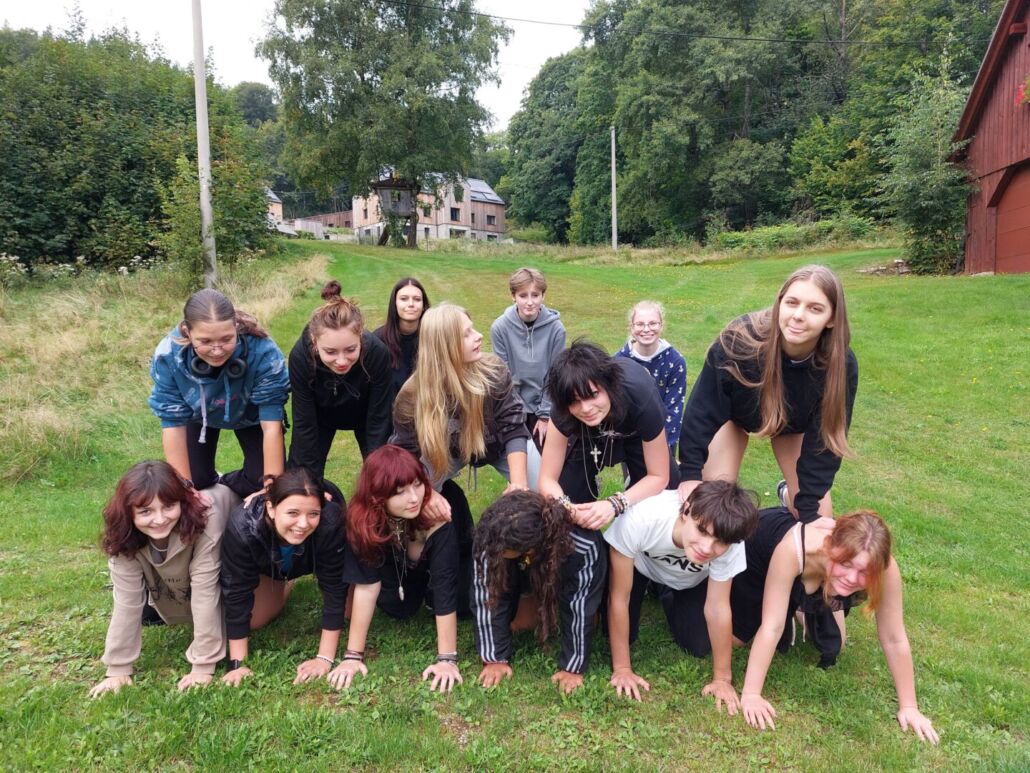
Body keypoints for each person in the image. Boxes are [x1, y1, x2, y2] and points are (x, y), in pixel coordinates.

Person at [732, 508, 939, 744]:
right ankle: (790, 596)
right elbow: (772, 626)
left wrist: (909, 707)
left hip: (820, 577)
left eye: (864, 572)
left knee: (834, 644)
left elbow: (894, 638)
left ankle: (800, 603)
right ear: (830, 546)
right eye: (846, 564)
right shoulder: (794, 549)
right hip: (759, 556)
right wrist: (751, 694)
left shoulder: (884, 567)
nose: (852, 578)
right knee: (736, 639)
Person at [677, 265, 858, 524]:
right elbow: (702, 409)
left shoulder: (840, 365)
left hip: (791, 427)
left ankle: (787, 494)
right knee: (711, 512)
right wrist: (690, 474)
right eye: (792, 303)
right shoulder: (739, 341)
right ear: (779, 304)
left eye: (815, 308)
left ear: (832, 318)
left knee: (815, 517)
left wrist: (808, 509)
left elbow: (825, 441)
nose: (798, 316)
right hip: (731, 419)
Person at [90, 461, 239, 697]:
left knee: (254, 616)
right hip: (173, 572)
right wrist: (118, 670)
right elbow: (126, 601)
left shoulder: (205, 519)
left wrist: (203, 667)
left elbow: (205, 591)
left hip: (232, 549)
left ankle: (284, 583)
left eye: (168, 506)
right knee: (153, 613)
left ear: (181, 502)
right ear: (128, 512)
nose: (159, 519)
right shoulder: (122, 534)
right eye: (145, 511)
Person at [605, 481, 758, 710]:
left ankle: (665, 593)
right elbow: (619, 598)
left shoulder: (731, 538)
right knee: (617, 633)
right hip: (639, 568)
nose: (707, 548)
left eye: (720, 542)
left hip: (689, 581)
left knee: (698, 644)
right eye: (702, 530)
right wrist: (622, 669)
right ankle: (654, 587)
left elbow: (717, 608)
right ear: (686, 511)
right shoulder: (642, 518)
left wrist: (722, 680)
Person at [329, 445, 465, 692]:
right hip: (396, 569)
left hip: (453, 563)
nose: (414, 498)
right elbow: (367, 587)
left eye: (417, 485)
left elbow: (446, 584)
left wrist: (447, 660)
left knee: (465, 602)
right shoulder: (363, 520)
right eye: (400, 492)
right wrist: (352, 656)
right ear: (377, 497)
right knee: (399, 608)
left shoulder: (436, 516)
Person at [390, 302, 530, 516]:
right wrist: (426, 493)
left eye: (473, 329)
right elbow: (405, 452)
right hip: (446, 453)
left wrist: (520, 484)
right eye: (466, 334)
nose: (479, 336)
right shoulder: (412, 397)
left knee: (540, 490)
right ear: (444, 346)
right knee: (411, 501)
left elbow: (513, 425)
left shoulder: (494, 370)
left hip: (499, 444)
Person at [149, 289, 290, 498]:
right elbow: (173, 424)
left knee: (260, 481)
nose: (217, 350)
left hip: (252, 414)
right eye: (205, 341)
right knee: (196, 481)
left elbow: (271, 426)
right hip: (198, 414)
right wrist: (186, 493)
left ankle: (228, 484)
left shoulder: (263, 352)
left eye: (226, 339)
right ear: (187, 332)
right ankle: (209, 482)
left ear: (236, 326)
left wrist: (271, 491)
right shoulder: (168, 356)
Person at [219, 467, 347, 687]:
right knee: (255, 619)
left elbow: (335, 588)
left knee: (349, 610)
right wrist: (238, 664)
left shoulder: (331, 522)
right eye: (293, 513)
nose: (303, 523)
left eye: (313, 514)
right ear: (271, 508)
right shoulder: (243, 528)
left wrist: (324, 658)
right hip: (270, 566)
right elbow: (236, 591)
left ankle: (287, 576)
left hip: (313, 557)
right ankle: (283, 582)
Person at [471, 490, 606, 695]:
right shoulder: (492, 535)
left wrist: (573, 667)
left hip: (565, 567)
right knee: (523, 623)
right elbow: (486, 595)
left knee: (587, 618)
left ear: (529, 548)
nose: (489, 548)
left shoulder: (583, 546)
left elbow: (580, 606)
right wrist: (494, 658)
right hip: (526, 564)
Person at [538, 340, 676, 531]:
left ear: (609, 385)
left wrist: (615, 504)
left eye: (593, 395)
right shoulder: (563, 409)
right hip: (584, 434)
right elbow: (547, 478)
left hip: (634, 432)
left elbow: (659, 476)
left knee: (667, 496)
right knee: (567, 496)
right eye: (575, 401)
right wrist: (568, 509)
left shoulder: (641, 396)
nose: (586, 409)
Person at [287, 280, 392, 478]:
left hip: (367, 413)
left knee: (385, 473)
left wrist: (380, 474)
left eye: (350, 350)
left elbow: (380, 419)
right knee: (301, 476)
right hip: (319, 415)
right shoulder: (300, 357)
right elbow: (304, 423)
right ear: (314, 341)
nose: (341, 361)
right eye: (330, 352)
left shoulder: (377, 353)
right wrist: (305, 482)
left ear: (360, 337)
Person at [490, 267, 566, 489]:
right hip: (514, 405)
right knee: (522, 465)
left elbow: (555, 374)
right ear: (513, 296)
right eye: (523, 296)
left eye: (535, 295)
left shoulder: (556, 329)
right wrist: (516, 413)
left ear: (543, 296)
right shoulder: (500, 328)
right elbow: (504, 375)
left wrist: (544, 415)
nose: (530, 302)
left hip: (546, 404)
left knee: (550, 467)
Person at [614, 300, 687, 454]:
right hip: (631, 442)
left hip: (664, 440)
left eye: (653, 323)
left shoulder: (675, 362)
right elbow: (617, 407)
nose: (646, 329)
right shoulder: (619, 362)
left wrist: (663, 447)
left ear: (661, 325)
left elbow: (674, 410)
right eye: (640, 324)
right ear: (631, 327)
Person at [374, 277, 431, 409]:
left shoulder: (433, 338)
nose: (411, 304)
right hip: (389, 411)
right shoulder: (377, 341)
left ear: (424, 305)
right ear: (394, 304)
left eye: (417, 299)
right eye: (404, 299)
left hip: (427, 409)